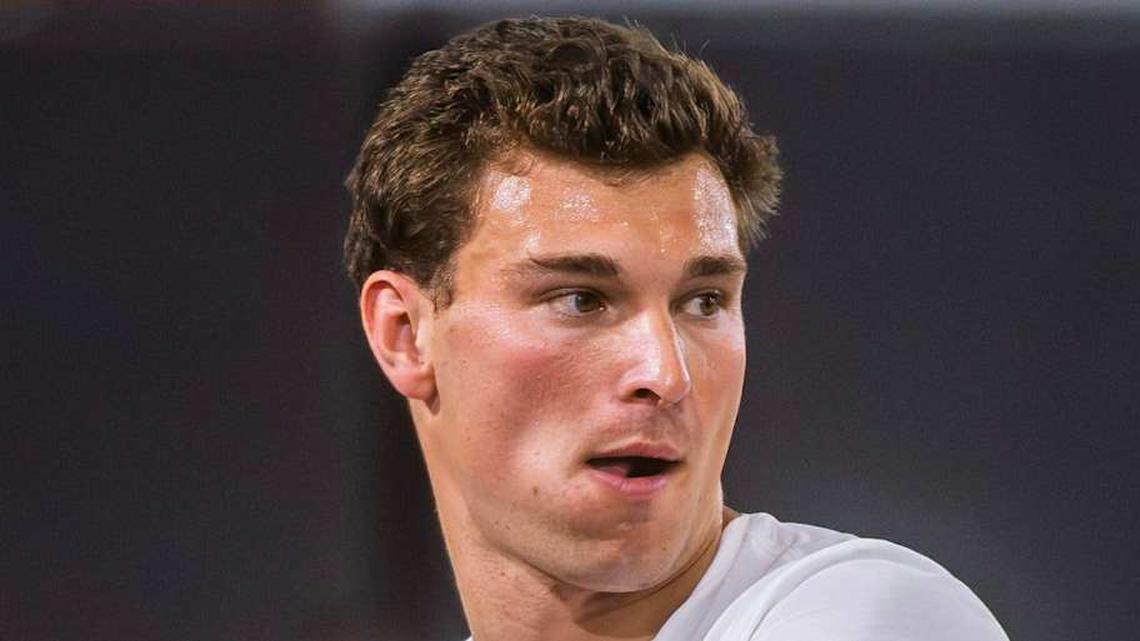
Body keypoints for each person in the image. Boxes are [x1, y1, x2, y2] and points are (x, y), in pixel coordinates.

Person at [344, 16, 1008, 641]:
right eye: (581, 299)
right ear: (405, 334)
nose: (666, 373)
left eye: (703, 301)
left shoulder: (870, 617)